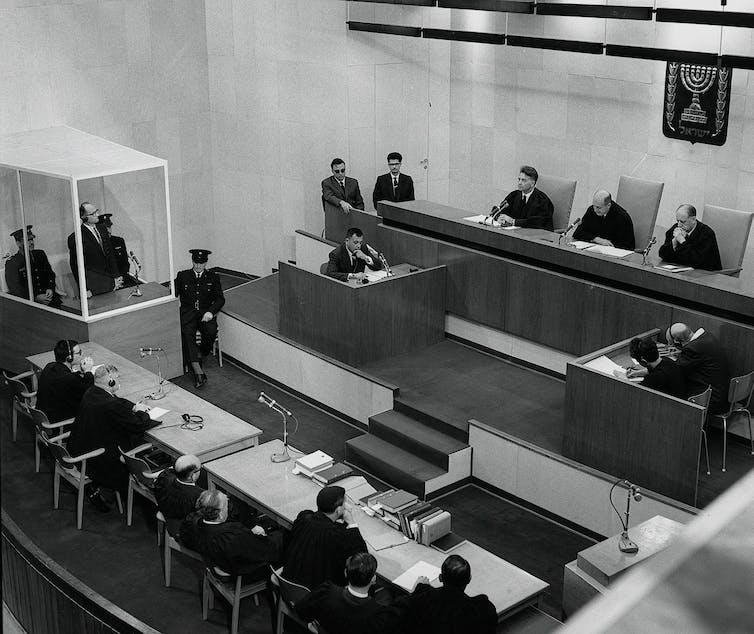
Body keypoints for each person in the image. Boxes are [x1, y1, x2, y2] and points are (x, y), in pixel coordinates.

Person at [180, 490, 282, 631]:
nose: (229, 506)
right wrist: (272, 536)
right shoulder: (232, 535)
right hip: (242, 573)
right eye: (227, 505)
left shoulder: (195, 523)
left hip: (216, 563)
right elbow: (266, 552)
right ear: (221, 513)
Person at [67, 365, 159, 510]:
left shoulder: (92, 392)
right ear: (110, 382)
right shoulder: (109, 404)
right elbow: (139, 424)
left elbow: (118, 401)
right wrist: (142, 412)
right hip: (98, 460)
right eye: (117, 378)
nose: (119, 380)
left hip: (81, 447)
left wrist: (134, 406)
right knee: (136, 438)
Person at [296, 552, 406, 634]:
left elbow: (301, 609)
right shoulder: (377, 615)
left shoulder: (326, 591)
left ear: (345, 573)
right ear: (373, 579)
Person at [282, 485, 368, 590]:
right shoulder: (336, 535)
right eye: (345, 503)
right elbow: (362, 556)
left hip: (291, 578)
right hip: (318, 591)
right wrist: (351, 523)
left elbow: (319, 521)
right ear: (338, 510)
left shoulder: (304, 518)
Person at [403, 554, 496, 634]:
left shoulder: (424, 599)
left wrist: (418, 589)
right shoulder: (482, 609)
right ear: (469, 579)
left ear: (440, 578)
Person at [174, 249, 225, 389]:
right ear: (192, 261)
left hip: (205, 315)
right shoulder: (183, 276)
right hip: (188, 314)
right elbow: (172, 293)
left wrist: (210, 312)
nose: (198, 266)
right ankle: (198, 372)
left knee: (210, 332)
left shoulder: (213, 277)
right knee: (186, 334)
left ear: (206, 263)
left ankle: (200, 353)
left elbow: (220, 299)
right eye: (196, 263)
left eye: (201, 264)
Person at [666, 323, 730, 414]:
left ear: (677, 342)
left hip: (711, 401)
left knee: (669, 390)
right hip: (722, 396)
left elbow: (675, 370)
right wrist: (682, 352)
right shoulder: (707, 336)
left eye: (672, 344)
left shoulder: (692, 349)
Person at [67, 202, 123, 296]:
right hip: (95, 285)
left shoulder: (102, 228)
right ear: (84, 217)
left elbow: (110, 255)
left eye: (97, 211)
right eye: (93, 214)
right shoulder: (76, 237)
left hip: (112, 281)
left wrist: (116, 276)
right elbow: (76, 266)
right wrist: (84, 289)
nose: (97, 215)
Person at [36, 339, 95, 423]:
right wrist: (88, 372)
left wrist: (82, 372)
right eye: (79, 352)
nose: (82, 354)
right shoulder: (68, 379)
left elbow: (70, 380)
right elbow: (89, 393)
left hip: (44, 413)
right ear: (69, 358)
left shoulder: (49, 366)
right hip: (58, 421)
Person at [5, 225, 62, 308]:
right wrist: (35, 297)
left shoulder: (40, 254)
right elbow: (16, 289)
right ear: (18, 243)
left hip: (49, 298)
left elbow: (50, 274)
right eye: (27, 240)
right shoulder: (13, 263)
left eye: (32, 239)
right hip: (28, 304)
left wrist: (50, 288)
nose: (31, 242)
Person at [658, 204, 722, 271]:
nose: (679, 225)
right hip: (681, 271)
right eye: (677, 221)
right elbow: (662, 254)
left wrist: (682, 241)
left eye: (683, 222)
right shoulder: (676, 228)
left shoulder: (707, 234)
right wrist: (674, 242)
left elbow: (697, 262)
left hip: (705, 275)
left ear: (693, 219)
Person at [154, 454, 204, 538]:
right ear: (192, 475)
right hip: (185, 532)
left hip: (167, 517)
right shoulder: (199, 495)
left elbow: (168, 471)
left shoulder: (165, 479)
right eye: (200, 468)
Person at [620, 337, 685, 399]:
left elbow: (635, 392)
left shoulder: (653, 378)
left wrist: (623, 378)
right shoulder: (668, 361)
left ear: (643, 360)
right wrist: (636, 373)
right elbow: (652, 369)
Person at [494, 165, 554, 230]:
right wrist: (500, 218)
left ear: (532, 183)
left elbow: (538, 222)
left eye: (523, 180)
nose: (519, 183)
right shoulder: (514, 195)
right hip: (514, 233)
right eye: (519, 179)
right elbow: (500, 210)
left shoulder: (542, 200)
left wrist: (514, 221)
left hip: (534, 236)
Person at [97, 213, 137, 286]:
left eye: (109, 227)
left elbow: (125, 263)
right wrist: (112, 282)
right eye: (105, 228)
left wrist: (121, 278)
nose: (108, 231)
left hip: (122, 280)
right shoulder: (97, 245)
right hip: (107, 284)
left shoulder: (119, 241)